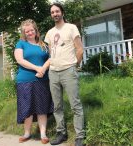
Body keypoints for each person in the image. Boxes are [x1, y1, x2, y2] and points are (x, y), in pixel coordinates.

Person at [44, 3, 85, 146]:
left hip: (68, 70)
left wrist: (75, 66)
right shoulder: (49, 33)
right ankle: (61, 133)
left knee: (75, 104)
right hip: (53, 72)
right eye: (52, 12)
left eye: (57, 11)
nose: (55, 14)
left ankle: (79, 136)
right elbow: (51, 53)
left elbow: (80, 49)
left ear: (62, 12)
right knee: (57, 106)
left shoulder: (71, 28)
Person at [14, 19, 53, 144]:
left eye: (32, 30)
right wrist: (37, 68)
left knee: (42, 108)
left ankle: (43, 135)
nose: (30, 33)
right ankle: (27, 133)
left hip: (42, 80)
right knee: (27, 108)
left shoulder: (43, 44)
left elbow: (51, 58)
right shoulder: (21, 44)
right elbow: (20, 60)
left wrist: (43, 68)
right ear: (24, 33)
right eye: (27, 31)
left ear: (36, 30)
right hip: (25, 81)